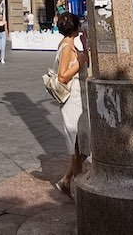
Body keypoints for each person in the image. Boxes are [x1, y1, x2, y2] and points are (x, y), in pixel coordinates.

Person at [52, 11, 90, 200]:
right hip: (71, 100)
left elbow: (84, 62)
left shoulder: (71, 45)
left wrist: (84, 46)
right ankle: (78, 188)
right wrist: (80, 62)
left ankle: (66, 181)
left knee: (83, 143)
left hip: (78, 98)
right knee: (76, 144)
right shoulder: (66, 47)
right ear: (75, 27)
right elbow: (62, 76)